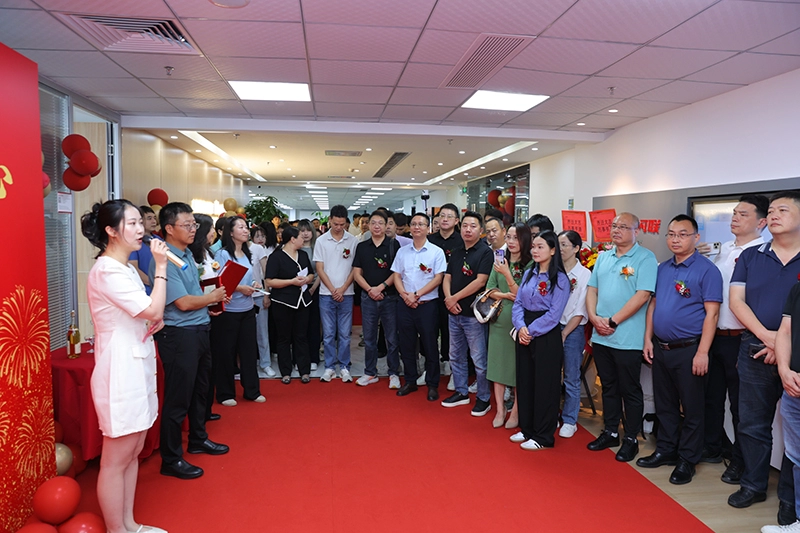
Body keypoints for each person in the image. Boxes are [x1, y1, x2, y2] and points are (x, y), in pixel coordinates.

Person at [82, 200, 169, 533]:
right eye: (131, 223)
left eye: (139, 223)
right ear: (110, 231)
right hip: (119, 368)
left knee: (133, 451)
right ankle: (116, 529)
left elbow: (147, 312)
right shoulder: (106, 270)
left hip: (138, 359)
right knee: (115, 458)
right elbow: (153, 308)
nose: (140, 229)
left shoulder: (127, 269)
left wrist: (152, 319)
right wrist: (161, 267)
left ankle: (129, 524)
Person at [728, 192, 800, 525]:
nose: (773, 216)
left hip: (797, 356)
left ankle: (789, 499)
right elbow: (736, 302)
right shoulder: (751, 255)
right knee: (753, 423)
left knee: (795, 431)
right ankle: (753, 485)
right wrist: (770, 338)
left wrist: (783, 345)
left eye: (783, 210)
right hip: (753, 347)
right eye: (770, 211)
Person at [639, 215, 722, 485]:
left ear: (696, 238)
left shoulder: (707, 270)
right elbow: (653, 306)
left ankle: (687, 459)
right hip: (661, 347)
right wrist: (647, 339)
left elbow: (712, 315)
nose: (676, 239)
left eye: (683, 234)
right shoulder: (663, 268)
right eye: (671, 234)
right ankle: (666, 449)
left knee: (693, 407)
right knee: (665, 404)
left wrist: (703, 352)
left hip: (690, 348)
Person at [151, 202, 229, 480]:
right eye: (187, 225)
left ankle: (198, 438)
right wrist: (211, 298)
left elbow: (193, 294)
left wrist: (208, 305)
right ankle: (171, 458)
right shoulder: (165, 259)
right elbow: (182, 303)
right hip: (179, 334)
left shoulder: (185, 254)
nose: (193, 229)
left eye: (194, 225)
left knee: (200, 391)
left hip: (199, 329)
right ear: (169, 228)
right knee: (178, 398)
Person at [703, 194, 768, 482]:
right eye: (734, 213)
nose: (735, 218)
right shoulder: (722, 249)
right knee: (711, 397)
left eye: (743, 214)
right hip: (713, 334)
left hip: (741, 338)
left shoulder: (763, 253)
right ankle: (712, 447)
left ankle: (740, 462)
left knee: (742, 407)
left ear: (761, 222)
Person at [585, 212, 657, 462]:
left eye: (623, 227)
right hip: (601, 336)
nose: (616, 230)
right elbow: (592, 289)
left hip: (627, 337)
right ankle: (610, 432)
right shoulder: (604, 257)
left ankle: (631, 438)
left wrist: (613, 321)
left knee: (630, 390)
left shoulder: (645, 258)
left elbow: (643, 295)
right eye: (614, 226)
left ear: (637, 231)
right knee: (608, 387)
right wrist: (594, 317)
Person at [509, 230, 570, 450]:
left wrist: (531, 331)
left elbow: (554, 314)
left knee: (545, 385)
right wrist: (521, 327)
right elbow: (518, 303)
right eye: (533, 246)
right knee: (525, 381)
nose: (535, 250)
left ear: (553, 250)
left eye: (540, 246)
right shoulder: (529, 273)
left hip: (545, 334)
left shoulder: (560, 279)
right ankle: (527, 429)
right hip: (524, 330)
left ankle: (543, 436)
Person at [441, 211, 494, 415]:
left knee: (479, 360)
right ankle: (461, 392)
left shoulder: (485, 252)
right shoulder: (456, 251)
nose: (468, 230)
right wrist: (449, 299)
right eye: (464, 226)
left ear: (481, 230)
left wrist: (454, 298)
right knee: (455, 356)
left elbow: (480, 281)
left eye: (473, 226)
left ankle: (483, 398)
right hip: (453, 313)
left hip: (474, 315)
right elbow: (447, 277)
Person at [210, 216, 265, 406]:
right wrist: (241, 288)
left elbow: (247, 277)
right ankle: (225, 393)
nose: (245, 230)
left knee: (249, 351)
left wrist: (253, 284)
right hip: (229, 311)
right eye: (240, 227)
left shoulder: (247, 253)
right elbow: (219, 282)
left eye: (246, 227)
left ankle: (252, 390)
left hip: (247, 308)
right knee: (226, 352)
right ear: (230, 232)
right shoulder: (223, 254)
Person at [392, 212, 447, 399]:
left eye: (421, 224)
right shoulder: (402, 251)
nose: (417, 227)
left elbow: (438, 278)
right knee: (406, 344)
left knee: (430, 345)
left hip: (427, 305)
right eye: (414, 224)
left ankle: (432, 383)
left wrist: (416, 295)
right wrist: (405, 295)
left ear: (428, 228)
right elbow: (396, 276)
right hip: (405, 304)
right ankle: (410, 381)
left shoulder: (436, 252)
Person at [763, 280, 800, 532]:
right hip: (793, 386)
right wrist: (784, 370)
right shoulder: (797, 289)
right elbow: (785, 331)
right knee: (797, 458)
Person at [487, 223, 532, 428]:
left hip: (519, 323)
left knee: (517, 369)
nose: (512, 242)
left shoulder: (530, 264)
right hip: (498, 320)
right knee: (497, 366)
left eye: (516, 238)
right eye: (509, 238)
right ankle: (500, 409)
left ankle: (515, 412)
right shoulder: (499, 260)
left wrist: (507, 274)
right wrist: (504, 294)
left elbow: (522, 295)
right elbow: (490, 289)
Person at [353, 210, 401, 388]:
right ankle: (370, 372)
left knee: (391, 338)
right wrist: (370, 290)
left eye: (381, 223)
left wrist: (381, 287)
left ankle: (393, 373)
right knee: (369, 338)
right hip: (368, 298)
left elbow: (397, 273)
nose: (377, 226)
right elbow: (356, 273)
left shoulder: (393, 245)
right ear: (368, 225)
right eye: (373, 222)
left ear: (387, 225)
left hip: (389, 297)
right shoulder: (362, 247)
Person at [265, 226, 315, 383]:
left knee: (301, 336)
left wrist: (307, 279)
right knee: (284, 337)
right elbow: (269, 281)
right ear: (292, 239)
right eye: (300, 237)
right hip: (283, 302)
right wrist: (291, 282)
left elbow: (311, 273)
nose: (303, 239)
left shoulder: (303, 255)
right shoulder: (276, 257)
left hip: (302, 301)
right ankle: (285, 371)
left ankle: (304, 370)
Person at [314, 205, 359, 382]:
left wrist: (342, 288)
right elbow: (320, 268)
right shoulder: (321, 241)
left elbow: (355, 269)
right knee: (328, 334)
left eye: (342, 224)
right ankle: (330, 367)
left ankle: (345, 366)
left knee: (345, 334)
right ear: (330, 220)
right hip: (326, 294)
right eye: (335, 224)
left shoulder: (352, 241)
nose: (339, 227)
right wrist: (333, 289)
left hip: (347, 293)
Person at [188, 214, 223, 422]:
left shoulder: (208, 252)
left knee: (209, 366)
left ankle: (206, 409)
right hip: (200, 311)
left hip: (213, 308)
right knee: (201, 369)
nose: (213, 233)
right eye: (210, 229)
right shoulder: (190, 256)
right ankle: (199, 413)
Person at [557, 230, 591, 438]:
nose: (560, 249)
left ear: (576, 248)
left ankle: (570, 419)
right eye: (558, 244)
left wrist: (564, 334)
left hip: (573, 330)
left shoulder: (585, 274)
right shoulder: (555, 270)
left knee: (571, 376)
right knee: (551, 375)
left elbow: (580, 310)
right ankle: (551, 413)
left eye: (564, 245)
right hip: (552, 327)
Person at [428, 203, 465, 385]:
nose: (444, 219)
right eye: (442, 215)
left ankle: (451, 368)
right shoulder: (429, 240)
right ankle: (430, 368)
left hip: (452, 295)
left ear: (456, 221)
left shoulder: (461, 241)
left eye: (449, 216)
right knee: (430, 331)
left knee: (450, 334)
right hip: (429, 293)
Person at [298, 219, 322, 370]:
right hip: (298, 290)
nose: (305, 234)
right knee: (300, 326)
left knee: (314, 324)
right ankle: (300, 358)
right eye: (302, 231)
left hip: (315, 288)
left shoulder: (317, 248)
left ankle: (314, 357)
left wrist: (313, 288)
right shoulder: (295, 249)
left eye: (308, 230)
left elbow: (321, 271)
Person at [129, 205, 160, 295]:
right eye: (149, 218)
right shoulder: (134, 241)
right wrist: (155, 284)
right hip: (144, 290)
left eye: (154, 218)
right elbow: (134, 269)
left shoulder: (159, 240)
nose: (154, 221)